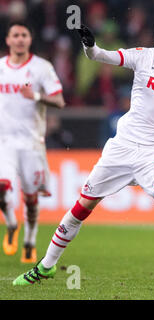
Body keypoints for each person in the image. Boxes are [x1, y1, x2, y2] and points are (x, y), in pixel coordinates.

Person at [13, 13, 154, 286]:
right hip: (124, 145)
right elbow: (102, 56)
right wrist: (90, 46)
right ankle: (46, 266)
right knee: (82, 206)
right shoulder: (143, 57)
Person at [0, 21, 65, 264]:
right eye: (15, 35)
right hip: (3, 142)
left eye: (24, 35)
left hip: (30, 142)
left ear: (29, 39)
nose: (19, 39)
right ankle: (11, 223)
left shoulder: (41, 68)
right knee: (1, 185)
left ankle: (29, 241)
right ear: (8, 40)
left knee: (30, 198)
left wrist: (36, 95)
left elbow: (59, 101)